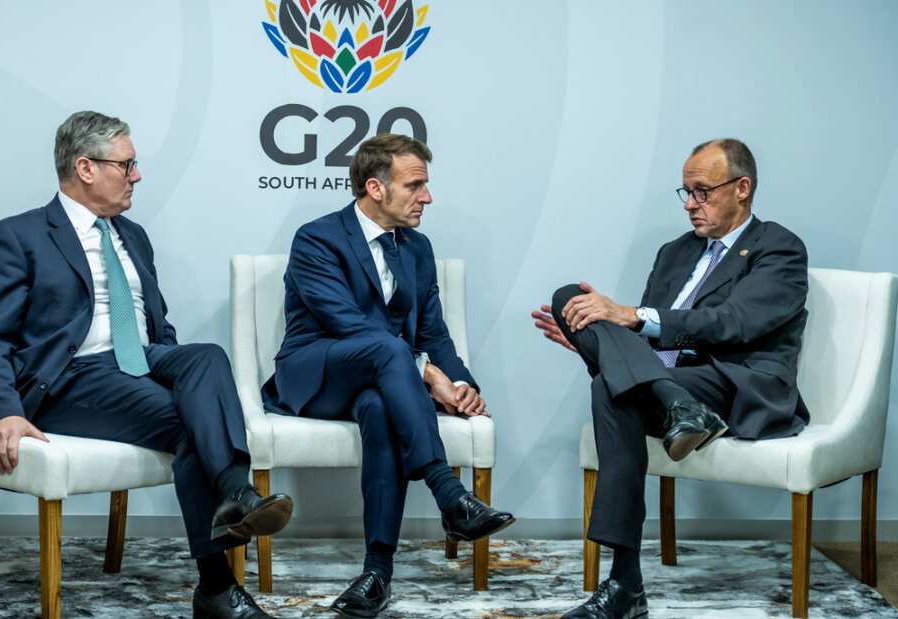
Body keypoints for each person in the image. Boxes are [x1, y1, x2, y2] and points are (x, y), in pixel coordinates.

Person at [0, 111, 292, 619]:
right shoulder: (19, 235)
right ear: (86, 168)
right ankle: (217, 579)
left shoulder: (132, 235)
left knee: (205, 357)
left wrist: (184, 379)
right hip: (70, 379)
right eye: (128, 164)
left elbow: (157, 326)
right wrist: (2, 411)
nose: (136, 175)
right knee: (193, 428)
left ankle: (234, 498)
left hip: (141, 363)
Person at [533, 139, 810, 619]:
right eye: (684, 192)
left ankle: (624, 586)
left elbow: (733, 323)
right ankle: (675, 405)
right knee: (568, 300)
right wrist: (594, 340)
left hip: (733, 380)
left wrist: (626, 321)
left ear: (742, 188)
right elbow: (640, 342)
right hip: (671, 381)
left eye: (702, 192)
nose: (689, 205)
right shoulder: (674, 252)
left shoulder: (778, 248)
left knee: (610, 381)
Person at [262, 133, 515, 618]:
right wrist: (428, 375)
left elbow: (435, 333)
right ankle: (448, 492)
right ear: (375, 188)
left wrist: (461, 385)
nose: (427, 197)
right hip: (318, 373)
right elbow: (347, 325)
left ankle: (377, 571)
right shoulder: (318, 237)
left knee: (380, 407)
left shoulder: (417, 248)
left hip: (384, 383)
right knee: (386, 346)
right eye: (415, 185)